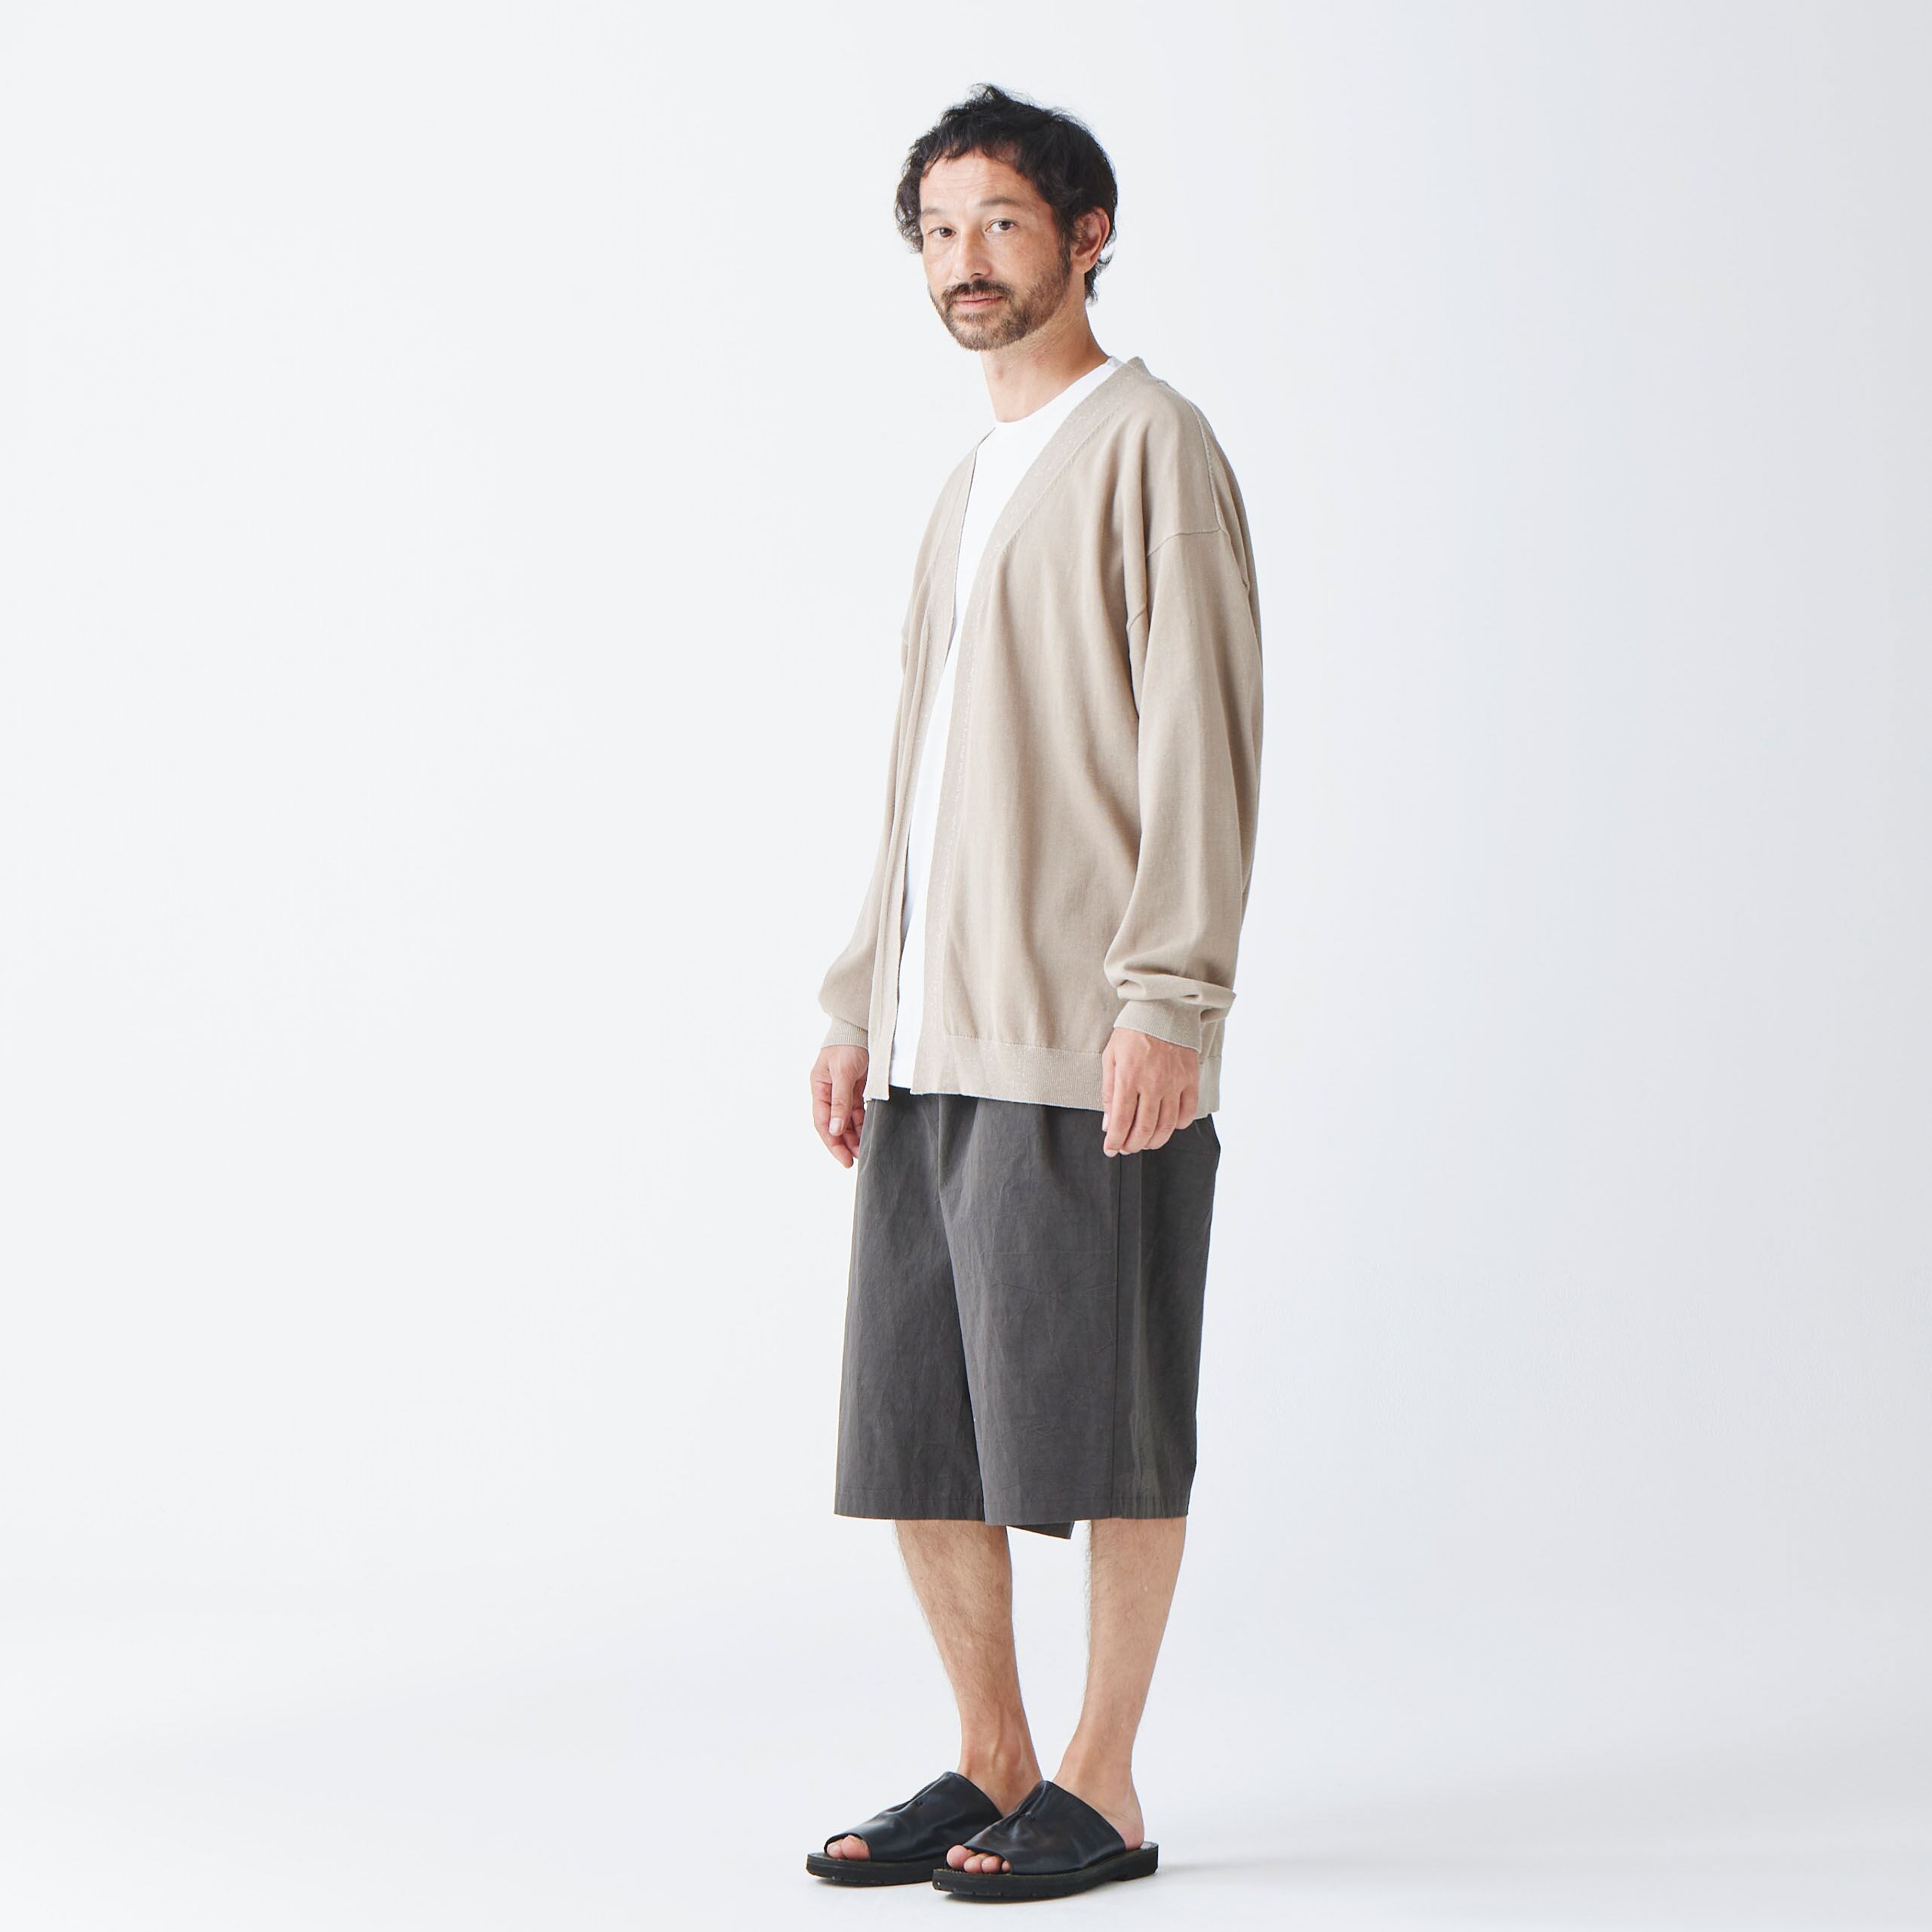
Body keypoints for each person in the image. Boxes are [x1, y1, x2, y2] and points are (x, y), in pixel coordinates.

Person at [805, 81, 1264, 1903]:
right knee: (917, 1426)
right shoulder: (965, 486)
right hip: (935, 1036)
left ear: (1088, 236)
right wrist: (860, 998)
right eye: (937, 231)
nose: (965, 261)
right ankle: (995, 1759)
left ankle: (1104, 1782)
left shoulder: (1153, 445)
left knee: (1111, 1410)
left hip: (1086, 1032)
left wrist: (1172, 994)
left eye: (1000, 222)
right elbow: (915, 769)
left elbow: (1203, 740)